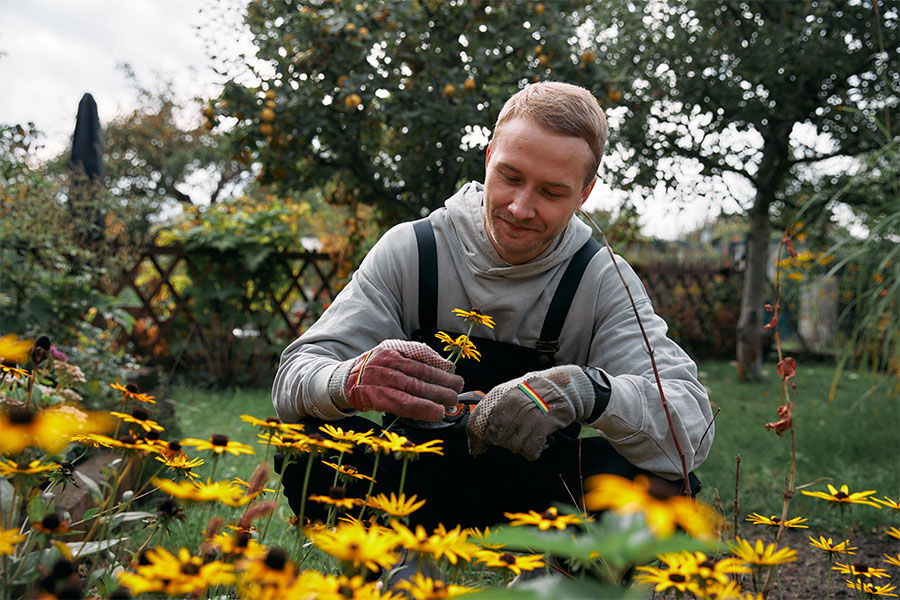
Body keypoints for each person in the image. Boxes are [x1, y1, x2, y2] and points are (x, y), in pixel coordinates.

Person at [272, 81, 714, 530]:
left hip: (539, 500)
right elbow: (294, 376)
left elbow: (691, 430)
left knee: (665, 488)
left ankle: (553, 570)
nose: (521, 208)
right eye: (511, 177)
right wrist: (350, 380)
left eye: (551, 192)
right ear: (488, 160)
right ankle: (388, 562)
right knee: (305, 445)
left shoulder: (600, 278)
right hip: (410, 483)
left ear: (584, 194)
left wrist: (589, 392)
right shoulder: (413, 250)